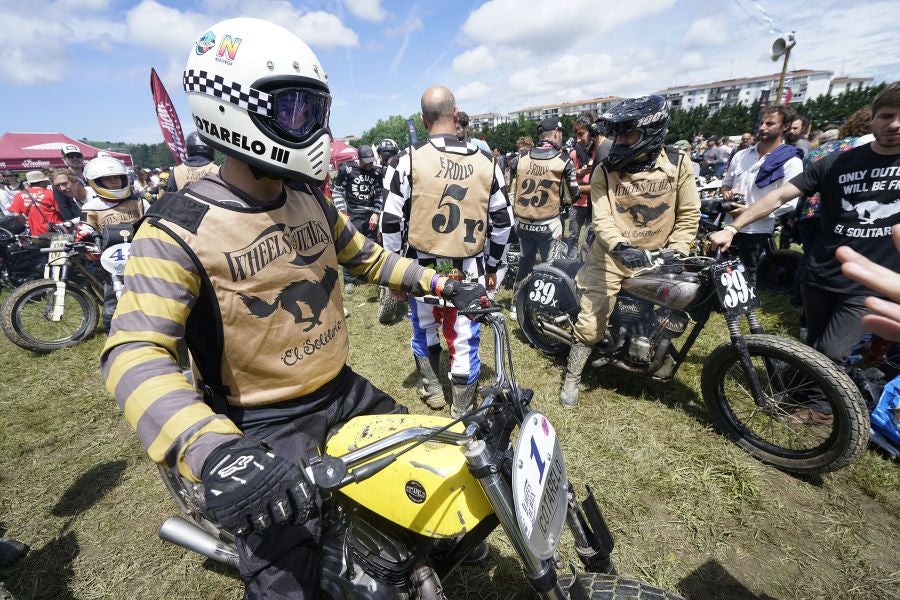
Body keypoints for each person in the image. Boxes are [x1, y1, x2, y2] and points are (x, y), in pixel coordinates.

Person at [101, 18, 487, 599]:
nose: (312, 127)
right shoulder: (176, 229)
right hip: (261, 424)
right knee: (289, 584)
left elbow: (367, 257)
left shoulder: (309, 197)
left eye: (315, 110)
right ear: (229, 110)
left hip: (342, 391)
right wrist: (215, 452)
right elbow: (134, 352)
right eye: (293, 110)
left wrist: (441, 285)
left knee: (430, 471)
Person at [710, 82, 900, 364]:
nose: (894, 124)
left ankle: (826, 393)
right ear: (871, 118)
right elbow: (779, 196)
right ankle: (810, 388)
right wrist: (731, 228)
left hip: (872, 281)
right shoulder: (835, 163)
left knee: (832, 353)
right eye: (886, 116)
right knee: (814, 346)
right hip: (822, 274)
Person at [559, 95, 700, 407]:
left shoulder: (678, 163)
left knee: (678, 304)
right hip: (610, 257)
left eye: (627, 134)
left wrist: (678, 249)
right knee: (592, 321)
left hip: (659, 255)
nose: (619, 141)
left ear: (651, 131)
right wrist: (620, 246)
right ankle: (572, 377)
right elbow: (602, 218)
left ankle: (652, 349)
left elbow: (689, 213)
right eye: (617, 134)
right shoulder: (605, 169)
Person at [382, 85, 512, 416]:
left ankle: (432, 389)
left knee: (424, 328)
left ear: (423, 120)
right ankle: (462, 409)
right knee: (465, 338)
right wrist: (493, 266)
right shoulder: (488, 162)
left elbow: (390, 223)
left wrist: (395, 274)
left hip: (421, 272)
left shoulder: (406, 160)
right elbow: (503, 222)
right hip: (469, 272)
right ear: (455, 115)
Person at [717, 105, 803, 285]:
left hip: (756, 230)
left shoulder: (791, 162)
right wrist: (727, 193)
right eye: (762, 123)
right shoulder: (741, 155)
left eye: (770, 123)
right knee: (721, 273)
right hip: (727, 225)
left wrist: (749, 211)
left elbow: (790, 203)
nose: (763, 127)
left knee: (747, 276)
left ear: (785, 126)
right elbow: (726, 184)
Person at [508, 117, 578, 321]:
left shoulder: (520, 159)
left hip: (522, 223)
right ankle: (545, 309)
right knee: (551, 267)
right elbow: (572, 195)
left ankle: (515, 306)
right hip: (549, 225)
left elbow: (510, 189)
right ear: (556, 133)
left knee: (524, 263)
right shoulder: (563, 160)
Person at [81, 155, 149, 331]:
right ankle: (113, 329)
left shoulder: (139, 201)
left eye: (117, 177)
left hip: (141, 255)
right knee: (112, 295)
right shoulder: (91, 207)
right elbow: (85, 228)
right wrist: (84, 235)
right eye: (108, 179)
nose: (114, 182)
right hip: (112, 260)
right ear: (97, 182)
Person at [332, 144, 384, 293]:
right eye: (366, 162)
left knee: (371, 246)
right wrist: (343, 212)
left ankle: (367, 275)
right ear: (359, 158)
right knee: (351, 246)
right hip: (353, 214)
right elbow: (337, 191)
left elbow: (379, 194)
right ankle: (350, 280)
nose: (370, 164)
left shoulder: (376, 172)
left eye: (371, 161)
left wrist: (376, 212)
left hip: (371, 215)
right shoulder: (347, 169)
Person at [8, 170, 64, 236]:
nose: (46, 184)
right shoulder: (51, 193)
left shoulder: (19, 195)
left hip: (36, 233)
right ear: (42, 182)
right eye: (45, 182)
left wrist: (26, 223)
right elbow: (61, 210)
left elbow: (17, 215)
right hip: (55, 229)